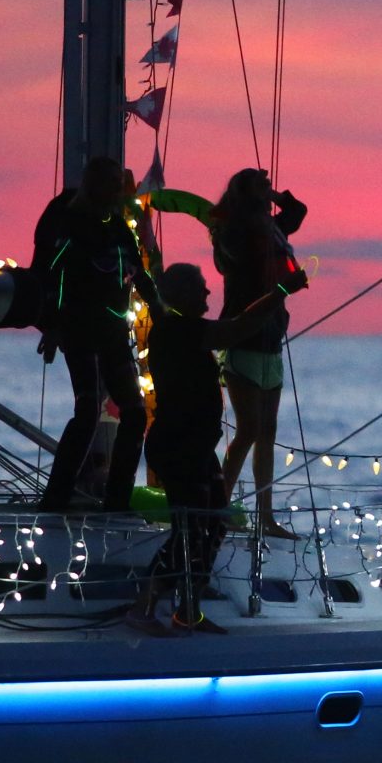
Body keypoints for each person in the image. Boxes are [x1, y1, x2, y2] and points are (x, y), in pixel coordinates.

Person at [141, 262, 279, 631]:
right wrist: (278, 295)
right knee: (189, 530)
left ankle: (189, 609)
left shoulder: (180, 328)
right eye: (201, 288)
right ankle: (145, 604)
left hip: (198, 448)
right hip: (179, 446)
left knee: (215, 522)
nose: (207, 294)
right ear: (183, 294)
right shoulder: (178, 329)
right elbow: (235, 330)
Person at [29, 156, 169, 512]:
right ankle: (56, 498)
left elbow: (137, 271)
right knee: (88, 411)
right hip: (78, 330)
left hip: (112, 331)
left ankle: (117, 500)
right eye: (111, 185)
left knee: (135, 413)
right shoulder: (70, 225)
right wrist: (52, 326)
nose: (117, 193)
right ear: (95, 185)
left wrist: (159, 309)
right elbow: (49, 277)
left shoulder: (119, 229)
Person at [212, 167, 308, 539]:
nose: (267, 191)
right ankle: (218, 506)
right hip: (245, 334)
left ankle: (266, 515)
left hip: (271, 335)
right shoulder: (235, 231)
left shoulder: (272, 226)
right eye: (261, 185)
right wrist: (284, 285)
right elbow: (249, 268)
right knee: (249, 428)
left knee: (267, 430)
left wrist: (279, 198)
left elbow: (297, 212)